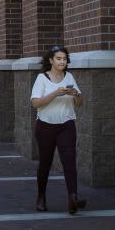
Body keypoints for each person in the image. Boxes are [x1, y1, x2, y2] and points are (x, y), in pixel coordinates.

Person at [30, 45, 86, 214]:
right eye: (59, 59)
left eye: (64, 59)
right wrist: (56, 93)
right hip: (45, 126)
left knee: (69, 162)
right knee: (45, 163)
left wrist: (75, 94)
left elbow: (79, 103)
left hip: (67, 125)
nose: (62, 61)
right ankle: (41, 197)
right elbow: (35, 103)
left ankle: (73, 199)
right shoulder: (42, 78)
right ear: (51, 61)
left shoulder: (69, 76)